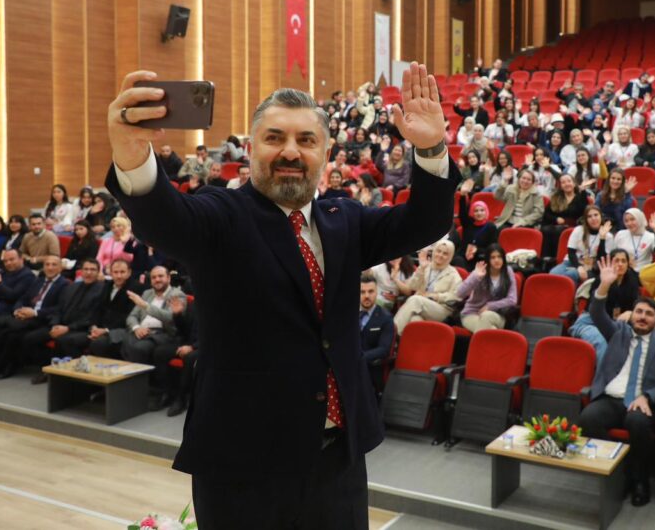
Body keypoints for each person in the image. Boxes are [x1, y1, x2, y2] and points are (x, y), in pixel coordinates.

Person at [108, 63, 456, 527]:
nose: (290, 151)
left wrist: (431, 147)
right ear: (252, 148)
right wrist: (133, 157)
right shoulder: (221, 214)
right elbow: (167, 221)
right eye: (275, 138)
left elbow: (424, 224)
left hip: (337, 459)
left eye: (306, 141)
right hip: (244, 465)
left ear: (326, 152)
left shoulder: (344, 219)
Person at [576, 273, 655, 507]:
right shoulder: (618, 333)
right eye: (639, 312)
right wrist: (604, 284)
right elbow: (596, 313)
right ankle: (617, 473)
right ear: (632, 315)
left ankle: (640, 479)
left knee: (637, 423)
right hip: (611, 398)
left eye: (649, 314)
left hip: (641, 401)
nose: (643, 317)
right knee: (587, 418)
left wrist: (647, 396)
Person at [0, 257, 70, 380]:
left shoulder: (65, 284)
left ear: (60, 267)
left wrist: (34, 313)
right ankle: (7, 365)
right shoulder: (39, 280)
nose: (50, 267)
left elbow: (59, 308)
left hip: (43, 320)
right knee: (11, 334)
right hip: (27, 318)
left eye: (54, 265)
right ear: (43, 267)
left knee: (8, 330)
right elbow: (24, 298)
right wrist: (18, 309)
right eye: (47, 264)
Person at [25, 258, 105, 384]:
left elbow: (91, 318)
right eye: (86, 269)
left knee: (64, 340)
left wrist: (67, 328)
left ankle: (72, 376)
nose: (89, 273)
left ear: (98, 272)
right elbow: (59, 309)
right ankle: (51, 369)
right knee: (31, 337)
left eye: (93, 270)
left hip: (83, 329)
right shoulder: (72, 287)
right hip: (62, 325)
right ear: (81, 272)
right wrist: (55, 324)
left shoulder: (102, 290)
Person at [57, 258, 138, 361]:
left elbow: (128, 316)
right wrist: (94, 327)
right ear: (110, 273)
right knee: (64, 339)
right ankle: (71, 372)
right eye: (116, 272)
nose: (119, 275)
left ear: (129, 273)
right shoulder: (108, 286)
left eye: (122, 272)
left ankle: (87, 371)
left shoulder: (135, 288)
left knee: (96, 343)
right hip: (98, 329)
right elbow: (98, 309)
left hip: (117, 330)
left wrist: (105, 330)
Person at [569, 250, 642, 356]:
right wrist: (605, 284)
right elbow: (595, 307)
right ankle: (603, 373)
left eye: (623, 261)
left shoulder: (632, 281)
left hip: (614, 324)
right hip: (590, 322)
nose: (620, 264)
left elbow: (637, 303)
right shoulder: (601, 280)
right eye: (616, 261)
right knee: (602, 343)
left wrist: (631, 312)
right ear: (610, 263)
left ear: (628, 264)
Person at [392, 241, 462, 334]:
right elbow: (412, 286)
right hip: (421, 307)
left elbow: (457, 297)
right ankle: (401, 345)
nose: (440, 255)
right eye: (438, 251)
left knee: (415, 300)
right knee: (415, 320)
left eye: (445, 253)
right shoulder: (426, 267)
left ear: (450, 256)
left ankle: (390, 335)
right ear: (434, 252)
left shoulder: (454, 274)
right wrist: (421, 269)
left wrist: (435, 296)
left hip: (442, 310)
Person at [150, 291, 200, 417]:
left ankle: (181, 398)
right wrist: (177, 315)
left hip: (206, 347)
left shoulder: (217, 306)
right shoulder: (194, 304)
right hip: (188, 342)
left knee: (189, 358)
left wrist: (193, 347)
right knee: (160, 352)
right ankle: (166, 392)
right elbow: (184, 330)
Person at [456, 245, 517, 332]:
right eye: (493, 257)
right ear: (487, 259)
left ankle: (476, 345)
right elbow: (460, 293)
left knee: (486, 316)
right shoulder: (480, 272)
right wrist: (476, 277)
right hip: (472, 313)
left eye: (499, 257)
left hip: (497, 315)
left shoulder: (508, 271)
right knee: (491, 331)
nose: (496, 260)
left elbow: (512, 300)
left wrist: (490, 306)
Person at [550, 205, 610, 284]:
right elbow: (571, 253)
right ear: (586, 219)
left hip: (593, 267)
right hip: (572, 262)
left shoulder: (608, 236)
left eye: (596, 215)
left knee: (571, 274)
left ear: (601, 216)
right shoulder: (578, 230)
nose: (593, 218)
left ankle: (569, 295)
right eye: (589, 216)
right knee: (553, 273)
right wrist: (578, 266)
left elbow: (601, 260)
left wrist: (602, 239)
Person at [357, 272, 394, 398]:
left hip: (370, 369)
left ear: (377, 292)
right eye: (362, 292)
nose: (367, 296)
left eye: (370, 291)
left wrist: (359, 359)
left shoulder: (386, 318)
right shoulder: (348, 315)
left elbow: (384, 350)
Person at [606, 207, 655, 272]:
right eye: (626, 221)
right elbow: (613, 255)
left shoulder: (650, 236)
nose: (629, 223)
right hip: (623, 271)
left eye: (632, 219)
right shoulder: (620, 234)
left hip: (643, 272)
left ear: (639, 219)